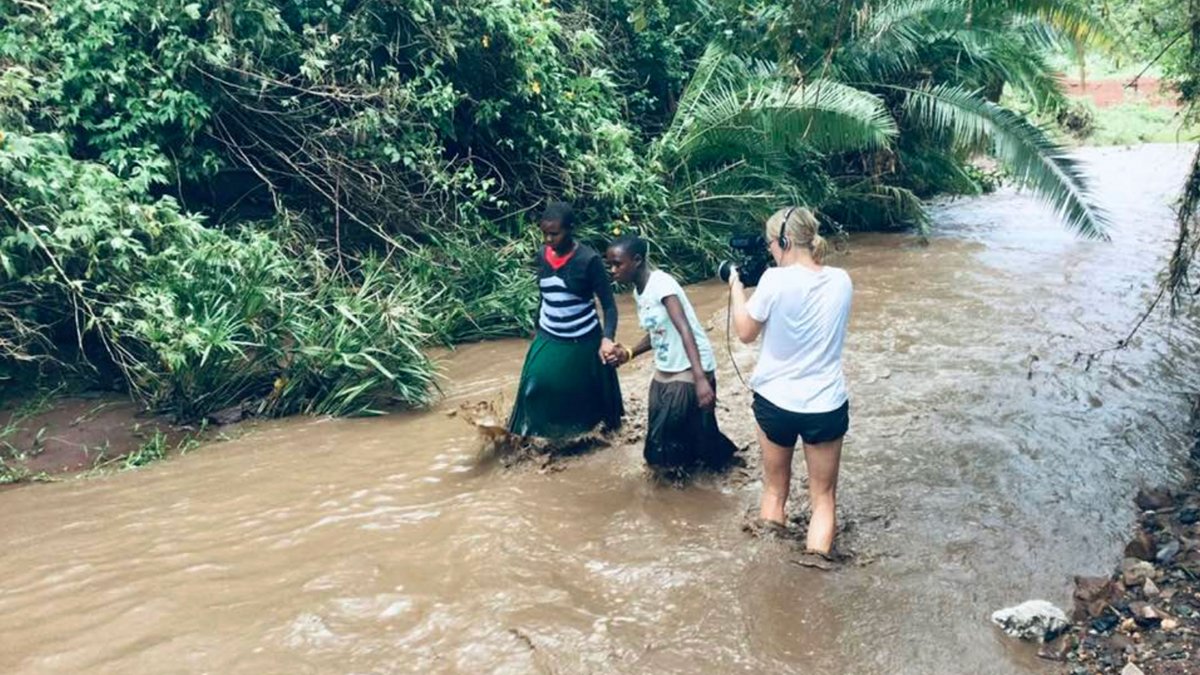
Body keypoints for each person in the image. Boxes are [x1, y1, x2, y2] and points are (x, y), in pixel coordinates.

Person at [728, 207, 852, 555]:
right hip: (826, 404)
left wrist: (736, 287)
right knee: (824, 499)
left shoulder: (773, 281)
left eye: (771, 244)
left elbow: (745, 332)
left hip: (775, 404)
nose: (769, 251)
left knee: (773, 491)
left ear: (783, 241)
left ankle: (772, 572)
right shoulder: (842, 280)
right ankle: (816, 572)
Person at [605, 235, 736, 472]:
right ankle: (721, 465)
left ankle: (680, 497)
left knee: (662, 449)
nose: (612, 270)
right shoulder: (639, 292)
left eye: (617, 264)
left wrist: (700, 380)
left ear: (636, 260)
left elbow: (684, 328)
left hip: (691, 367)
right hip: (666, 368)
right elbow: (659, 332)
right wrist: (630, 353)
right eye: (610, 265)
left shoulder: (661, 284)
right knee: (685, 437)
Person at [507, 202, 624, 438]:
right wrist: (537, 329)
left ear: (570, 229)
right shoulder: (542, 256)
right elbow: (545, 295)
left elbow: (610, 307)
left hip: (585, 339)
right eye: (544, 234)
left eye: (554, 234)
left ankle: (584, 435)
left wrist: (607, 339)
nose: (548, 239)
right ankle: (532, 437)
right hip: (550, 334)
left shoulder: (588, 260)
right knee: (534, 386)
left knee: (590, 395)